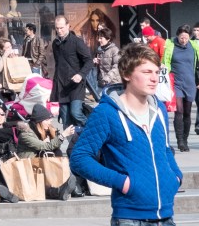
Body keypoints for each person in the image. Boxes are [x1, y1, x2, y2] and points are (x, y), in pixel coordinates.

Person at [71, 43, 181, 226]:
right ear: (127, 74)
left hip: (166, 216)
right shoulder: (106, 113)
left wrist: (175, 176)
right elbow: (79, 158)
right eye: (146, 72)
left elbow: (166, 149)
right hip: (130, 218)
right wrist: (123, 183)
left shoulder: (159, 109)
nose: (154, 78)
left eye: (156, 72)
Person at [16, 104, 76, 199]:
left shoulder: (45, 130)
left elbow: (54, 146)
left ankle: (66, 184)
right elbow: (45, 146)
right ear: (39, 121)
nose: (50, 121)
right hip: (29, 165)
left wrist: (54, 135)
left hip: (39, 163)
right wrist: (63, 135)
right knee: (51, 152)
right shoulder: (26, 134)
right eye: (47, 120)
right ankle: (63, 188)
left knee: (57, 152)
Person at [51, 15, 92, 131]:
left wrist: (81, 74)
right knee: (65, 118)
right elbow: (58, 64)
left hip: (76, 84)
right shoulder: (55, 43)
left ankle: (93, 130)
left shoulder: (76, 42)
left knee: (75, 113)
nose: (59, 31)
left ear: (68, 26)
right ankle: (71, 146)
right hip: (62, 85)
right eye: (57, 28)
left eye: (62, 28)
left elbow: (89, 60)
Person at [162, 24, 199, 152]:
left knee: (188, 113)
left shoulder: (194, 46)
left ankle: (185, 138)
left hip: (190, 83)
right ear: (177, 35)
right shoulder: (170, 45)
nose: (183, 40)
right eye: (181, 37)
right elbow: (164, 64)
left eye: (186, 38)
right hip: (176, 83)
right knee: (179, 111)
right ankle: (180, 142)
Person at [94, 26, 120, 91]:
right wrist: (96, 62)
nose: (99, 40)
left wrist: (107, 79)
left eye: (101, 38)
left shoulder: (114, 50)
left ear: (108, 39)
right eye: (98, 38)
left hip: (113, 83)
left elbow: (117, 66)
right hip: (101, 82)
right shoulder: (100, 49)